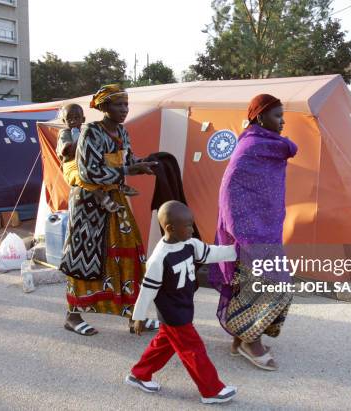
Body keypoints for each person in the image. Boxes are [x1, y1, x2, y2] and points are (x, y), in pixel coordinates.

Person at [208, 94, 298, 371]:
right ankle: (251, 342)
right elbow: (230, 190)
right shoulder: (250, 147)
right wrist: (241, 232)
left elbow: (268, 189)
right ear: (260, 117)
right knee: (266, 285)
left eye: (283, 116)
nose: (282, 122)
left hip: (267, 229)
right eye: (277, 116)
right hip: (247, 232)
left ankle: (242, 337)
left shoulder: (269, 146)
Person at [60, 84, 159, 336]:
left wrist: (145, 163)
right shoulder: (91, 133)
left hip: (115, 201)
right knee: (85, 258)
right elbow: (87, 172)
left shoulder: (122, 132)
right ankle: (72, 315)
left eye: (126, 104)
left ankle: (135, 316)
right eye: (118, 104)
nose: (124, 109)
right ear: (104, 107)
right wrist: (128, 171)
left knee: (130, 257)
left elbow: (127, 160)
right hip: (89, 205)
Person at [126, 201, 238, 404]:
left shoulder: (190, 244)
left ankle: (138, 374)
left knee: (164, 345)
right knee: (193, 350)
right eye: (187, 226)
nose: (192, 229)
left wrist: (236, 251)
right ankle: (211, 390)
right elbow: (147, 290)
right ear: (170, 228)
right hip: (173, 313)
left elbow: (211, 253)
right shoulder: (159, 258)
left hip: (184, 306)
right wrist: (139, 317)